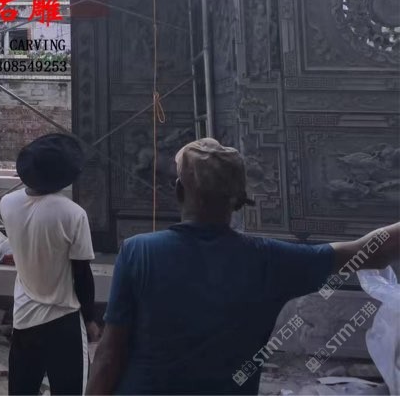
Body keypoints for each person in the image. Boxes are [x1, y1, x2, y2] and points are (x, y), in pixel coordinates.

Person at [87, 138, 400, 395]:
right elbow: (369, 251)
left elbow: (108, 354)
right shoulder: (270, 260)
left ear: (179, 190)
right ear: (238, 201)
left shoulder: (139, 252)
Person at [0, 133, 99, 395]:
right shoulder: (72, 214)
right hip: (63, 318)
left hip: (24, 314)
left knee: (22, 388)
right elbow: (82, 273)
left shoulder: (7, 203)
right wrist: (90, 319)